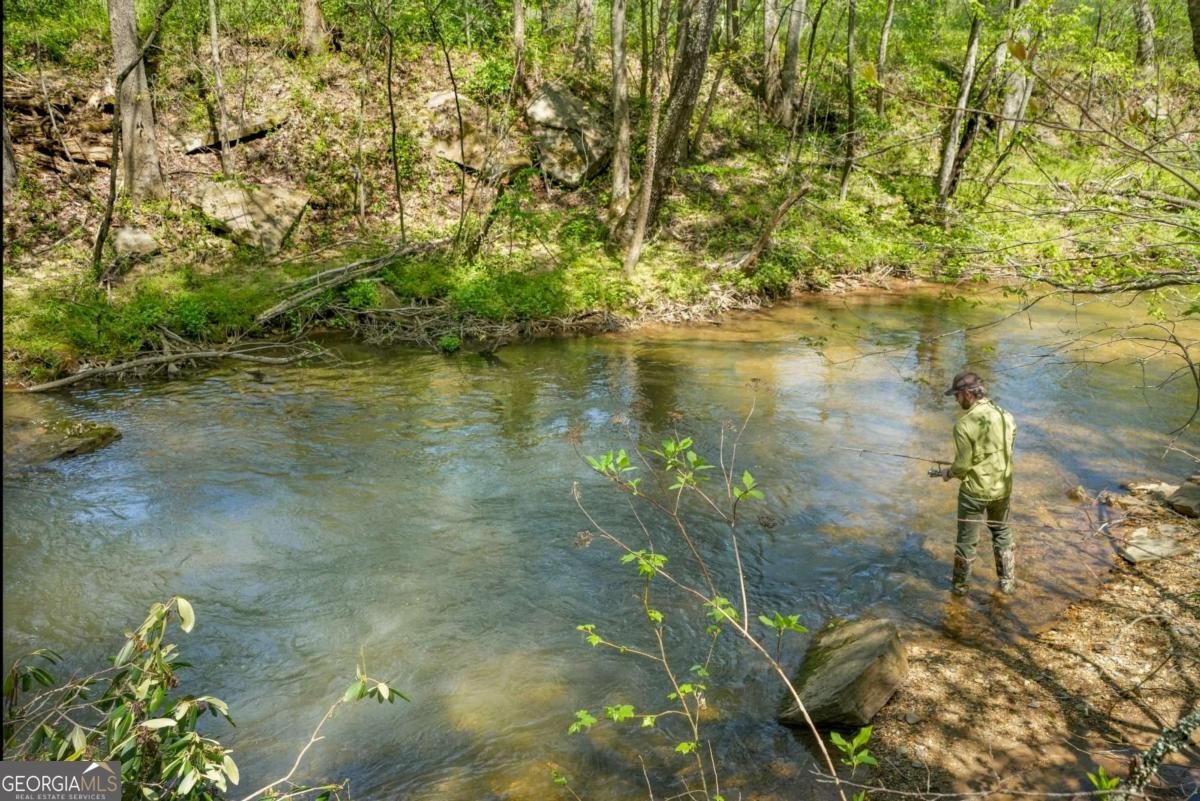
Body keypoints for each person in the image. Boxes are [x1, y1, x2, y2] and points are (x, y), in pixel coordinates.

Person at [938, 370, 1016, 595]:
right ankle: (1007, 583)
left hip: (974, 493)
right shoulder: (1005, 415)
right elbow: (1006, 449)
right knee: (1002, 532)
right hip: (1003, 488)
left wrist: (948, 473)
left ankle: (960, 590)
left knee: (966, 541)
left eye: (956, 395)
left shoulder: (963, 425)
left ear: (967, 394)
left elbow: (962, 466)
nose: (955, 400)